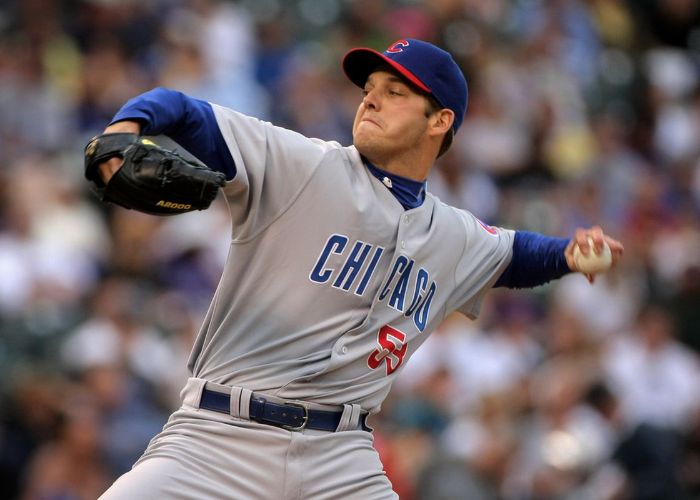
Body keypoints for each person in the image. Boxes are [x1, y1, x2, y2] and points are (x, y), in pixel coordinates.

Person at [92, 38, 624, 499]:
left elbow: (514, 255)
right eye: (370, 87)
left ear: (440, 121)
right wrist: (125, 127)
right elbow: (183, 110)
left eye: (396, 92)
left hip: (341, 459)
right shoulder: (303, 165)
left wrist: (567, 255)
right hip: (218, 439)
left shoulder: (454, 235)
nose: (371, 98)